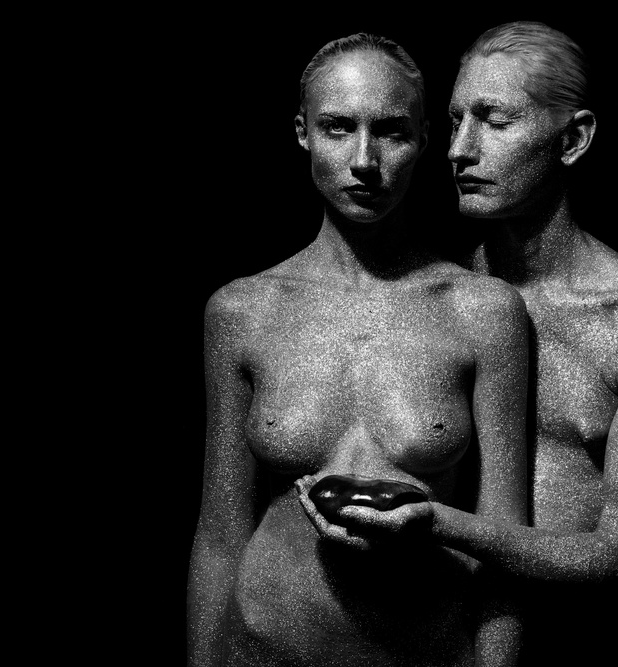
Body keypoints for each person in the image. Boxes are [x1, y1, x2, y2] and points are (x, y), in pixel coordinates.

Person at [297, 20, 618, 662]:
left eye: (494, 121)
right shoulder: (439, 297)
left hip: (576, 647)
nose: (460, 149)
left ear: (573, 139)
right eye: (455, 121)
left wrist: (438, 524)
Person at [187, 32, 530, 667]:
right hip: (262, 649)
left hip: (426, 654)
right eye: (339, 128)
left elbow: (505, 541)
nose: (365, 160)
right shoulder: (242, 311)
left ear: (424, 139)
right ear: (303, 133)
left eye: (391, 131)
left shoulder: (483, 311)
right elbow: (219, 536)